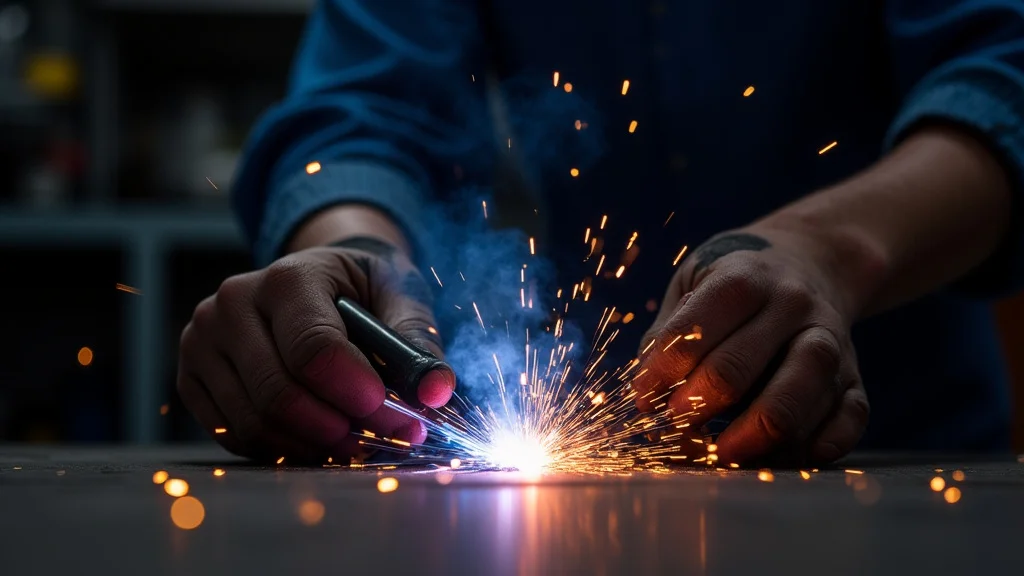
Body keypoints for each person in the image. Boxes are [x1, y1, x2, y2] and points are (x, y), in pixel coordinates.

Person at [177, 1, 1024, 465]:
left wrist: (830, 255)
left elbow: (1004, 71)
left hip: (898, 456)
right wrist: (357, 259)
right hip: (614, 460)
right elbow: (363, 114)